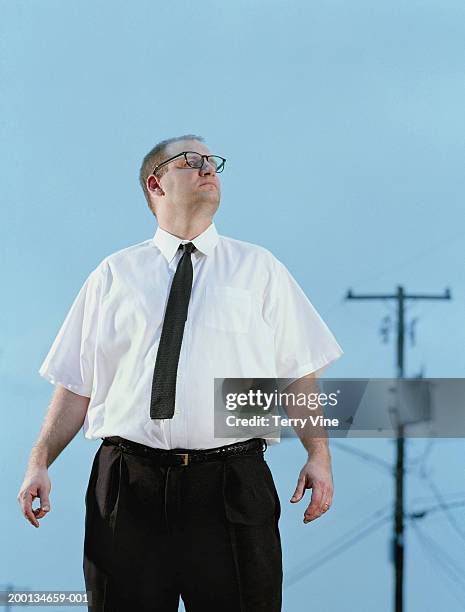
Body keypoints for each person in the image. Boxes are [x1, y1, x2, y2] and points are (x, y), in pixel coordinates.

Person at [18, 134, 344, 612]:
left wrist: (319, 454)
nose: (208, 168)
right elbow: (75, 384)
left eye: (213, 162)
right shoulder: (113, 275)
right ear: (156, 183)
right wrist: (39, 460)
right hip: (127, 487)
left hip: (233, 484)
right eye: (192, 161)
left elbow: (297, 375)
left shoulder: (260, 269)